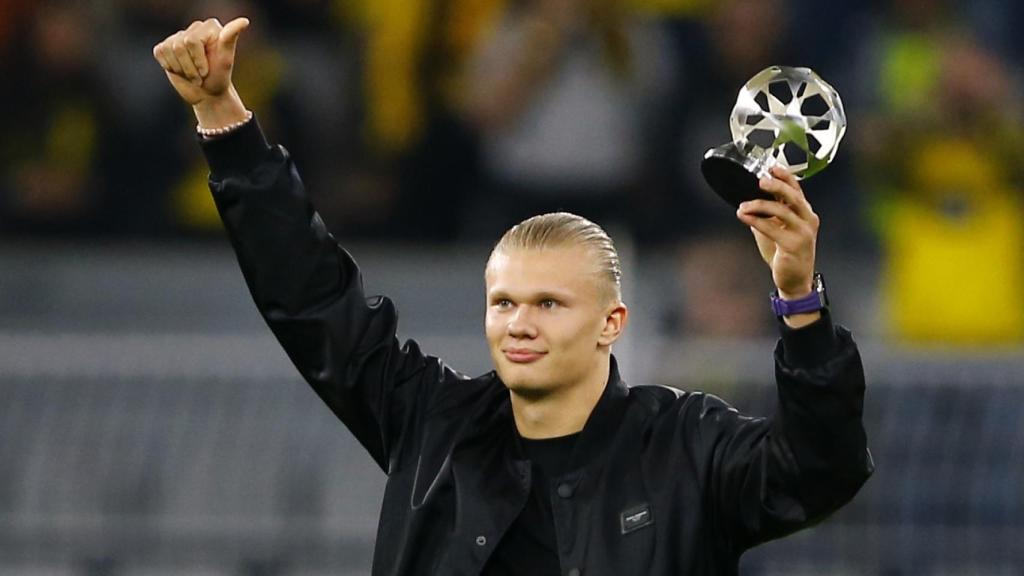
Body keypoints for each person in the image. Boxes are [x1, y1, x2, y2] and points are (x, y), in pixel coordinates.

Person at [152, 17, 873, 575]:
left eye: (549, 304)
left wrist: (800, 305)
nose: (518, 324)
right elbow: (311, 297)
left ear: (611, 323)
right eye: (504, 303)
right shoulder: (433, 426)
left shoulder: (685, 446)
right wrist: (224, 119)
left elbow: (819, 471)